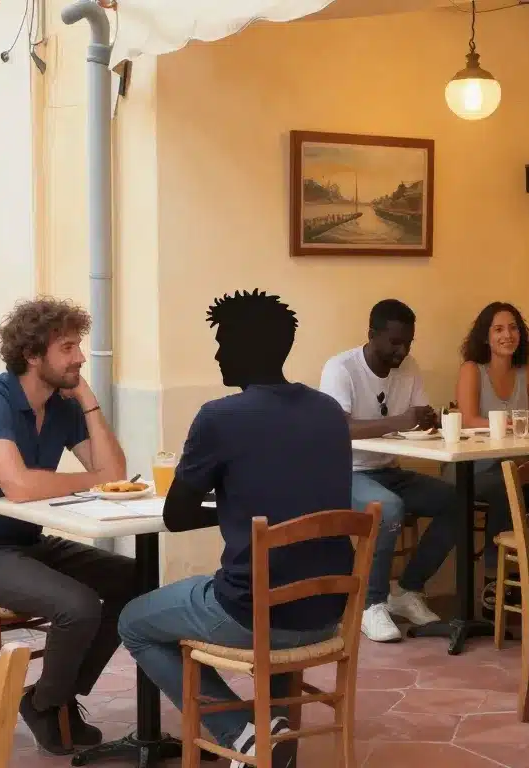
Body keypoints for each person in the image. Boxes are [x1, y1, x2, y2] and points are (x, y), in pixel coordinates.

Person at [119, 290, 353, 768]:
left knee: (134, 621)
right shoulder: (329, 411)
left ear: (250, 349)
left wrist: (229, 507)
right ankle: (278, 739)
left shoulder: (219, 418)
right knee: (278, 584)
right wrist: (245, 508)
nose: (217, 353)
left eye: (224, 342)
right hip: (328, 613)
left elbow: (175, 516)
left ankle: (240, 732)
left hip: (252, 613)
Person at [0, 297, 137, 755]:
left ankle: (55, 698)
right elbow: (19, 486)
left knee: (135, 578)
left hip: (26, 543)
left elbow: (116, 472)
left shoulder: (63, 406)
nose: (80, 357)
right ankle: (48, 704)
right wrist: (94, 480)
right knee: (79, 605)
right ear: (32, 355)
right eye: (67, 347)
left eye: (78, 345)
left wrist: (87, 399)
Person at [320, 299, 457, 644]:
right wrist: (399, 421)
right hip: (344, 473)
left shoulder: (409, 367)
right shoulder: (341, 369)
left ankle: (408, 590)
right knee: (388, 507)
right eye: (395, 342)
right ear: (372, 335)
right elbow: (339, 428)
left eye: (408, 342)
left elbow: (416, 417)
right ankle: (370, 604)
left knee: (457, 500)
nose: (402, 351)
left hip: (389, 469)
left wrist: (429, 421)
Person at [453, 302, 529, 607]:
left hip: (516, 463)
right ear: (485, 336)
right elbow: (467, 419)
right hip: (474, 469)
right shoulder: (472, 369)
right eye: (499, 329)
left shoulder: (528, 370)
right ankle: (495, 581)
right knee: (509, 487)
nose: (508, 335)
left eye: (513, 328)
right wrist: (508, 425)